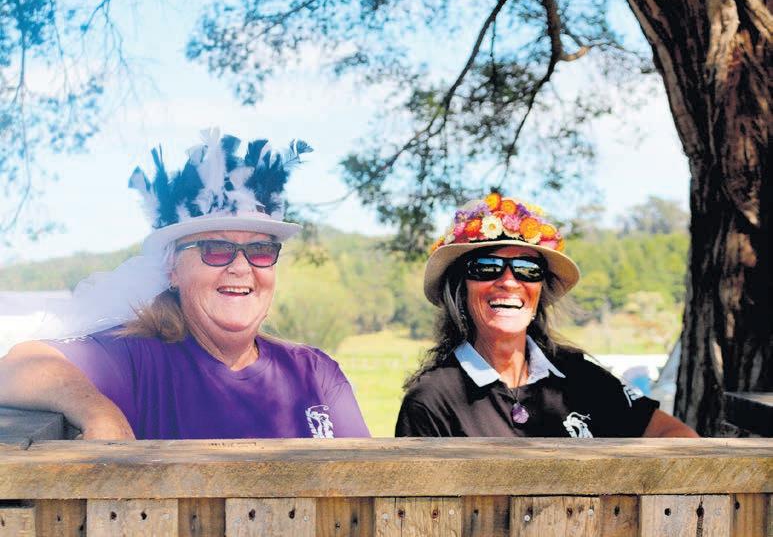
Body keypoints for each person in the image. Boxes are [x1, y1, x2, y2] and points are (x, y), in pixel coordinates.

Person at [0, 129, 370, 440]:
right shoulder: (137, 361)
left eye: (260, 250)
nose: (241, 267)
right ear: (173, 270)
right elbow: (15, 366)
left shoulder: (316, 373)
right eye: (216, 249)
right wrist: (98, 411)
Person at [395, 192, 697, 438]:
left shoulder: (581, 377)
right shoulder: (431, 401)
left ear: (541, 290)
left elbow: (674, 435)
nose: (509, 282)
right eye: (487, 268)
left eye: (528, 270)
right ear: (460, 289)